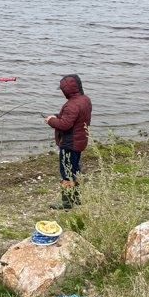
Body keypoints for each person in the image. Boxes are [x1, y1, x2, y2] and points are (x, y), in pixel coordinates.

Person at [44, 74, 92, 209]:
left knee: (66, 173)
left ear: (66, 91)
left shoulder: (71, 105)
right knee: (75, 169)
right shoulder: (85, 100)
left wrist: (51, 121)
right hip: (80, 142)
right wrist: (57, 116)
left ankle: (66, 204)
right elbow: (72, 118)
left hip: (70, 144)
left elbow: (65, 125)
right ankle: (76, 199)